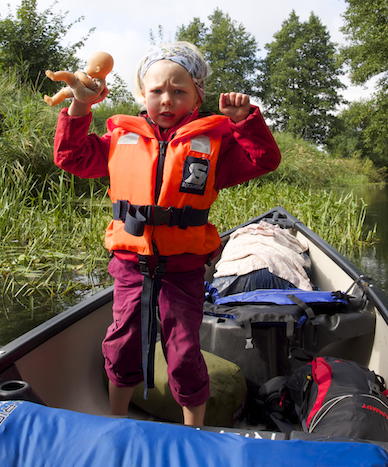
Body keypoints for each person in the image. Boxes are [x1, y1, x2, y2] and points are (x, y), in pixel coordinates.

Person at [51, 41, 281, 426]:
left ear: (197, 97)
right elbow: (70, 156)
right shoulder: (119, 140)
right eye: (157, 90)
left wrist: (245, 120)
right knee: (123, 341)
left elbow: (263, 159)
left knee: (183, 350)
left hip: (184, 268)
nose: (166, 99)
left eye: (179, 91)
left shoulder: (215, 145)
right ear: (143, 93)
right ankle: (116, 419)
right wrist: (80, 106)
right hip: (130, 265)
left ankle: (195, 432)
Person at [44, 51, 114, 106]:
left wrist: (79, 73)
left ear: (97, 69)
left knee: (67, 76)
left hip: (85, 94)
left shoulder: (99, 82)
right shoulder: (101, 82)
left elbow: (88, 83)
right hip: (85, 93)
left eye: (89, 65)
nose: (86, 67)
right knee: (64, 92)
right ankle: (53, 101)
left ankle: (54, 76)